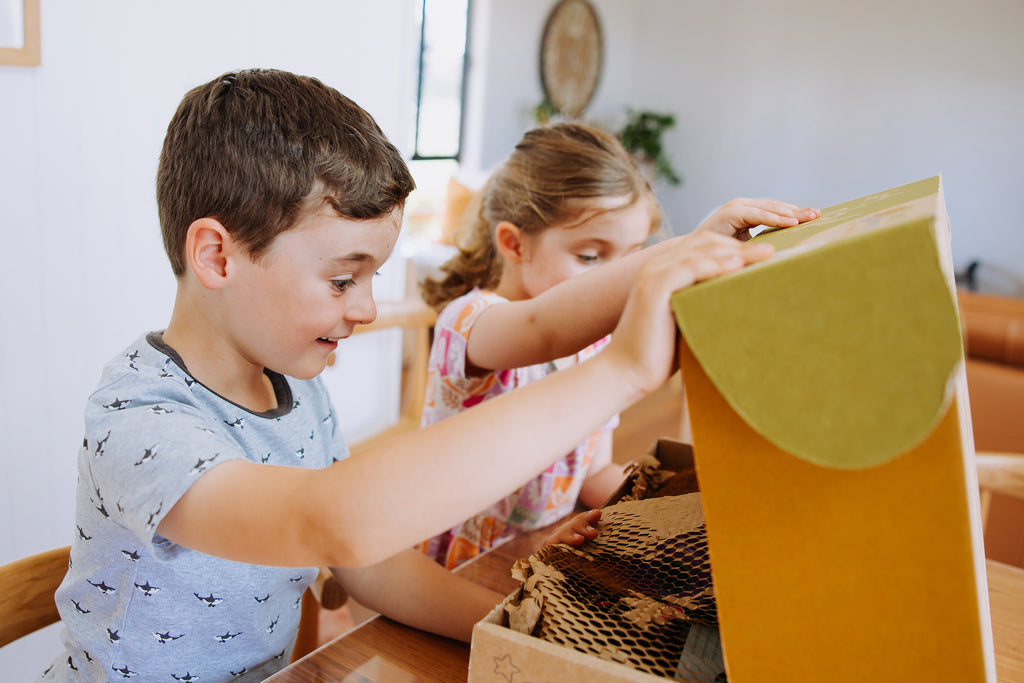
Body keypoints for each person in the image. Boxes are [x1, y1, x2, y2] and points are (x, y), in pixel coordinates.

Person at [39, 68, 797, 682]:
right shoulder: (140, 417)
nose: (368, 308)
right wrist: (625, 369)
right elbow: (331, 520)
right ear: (216, 255)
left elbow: (363, 562)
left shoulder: (296, 391)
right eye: (344, 279)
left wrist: (506, 626)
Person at [416, 123, 820, 569]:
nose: (616, 277)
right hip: (459, 569)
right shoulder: (473, 323)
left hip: (538, 555)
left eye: (630, 255)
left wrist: (672, 516)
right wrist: (687, 247)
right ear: (513, 243)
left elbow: (590, 473)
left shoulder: (595, 346)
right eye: (590, 256)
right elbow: (543, 325)